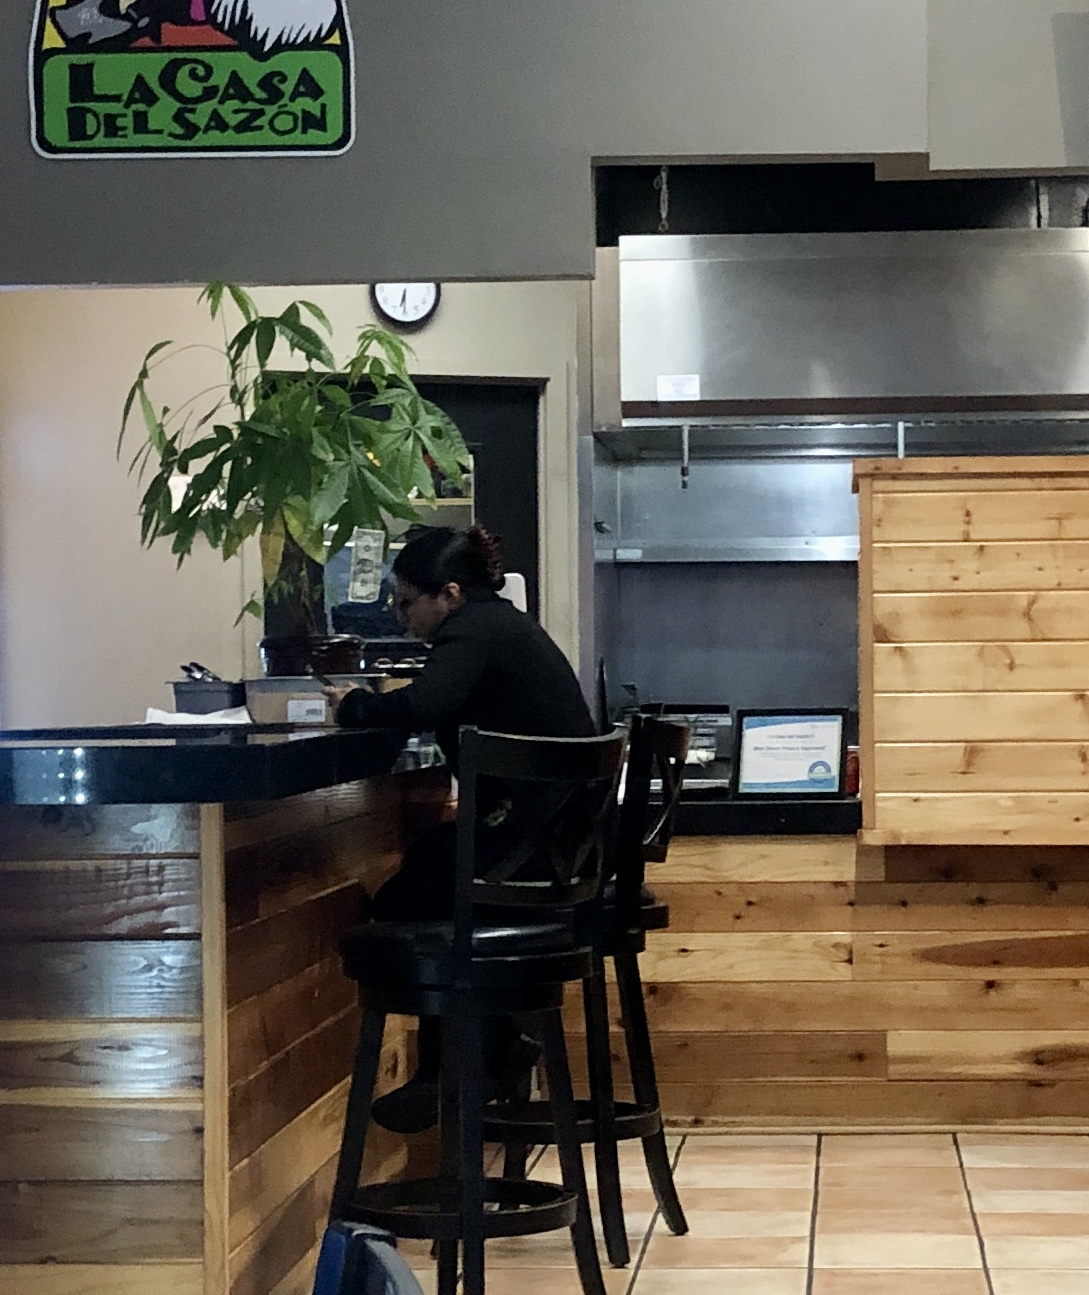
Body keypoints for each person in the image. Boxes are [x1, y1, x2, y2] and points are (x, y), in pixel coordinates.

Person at [326, 524, 597, 1132]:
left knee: (406, 901)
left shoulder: (472, 630)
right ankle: (491, 1050)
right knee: (431, 871)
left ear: (449, 594)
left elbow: (425, 704)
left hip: (528, 855)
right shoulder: (506, 627)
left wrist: (354, 706)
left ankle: (454, 1067)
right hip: (561, 851)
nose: (401, 620)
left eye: (406, 604)